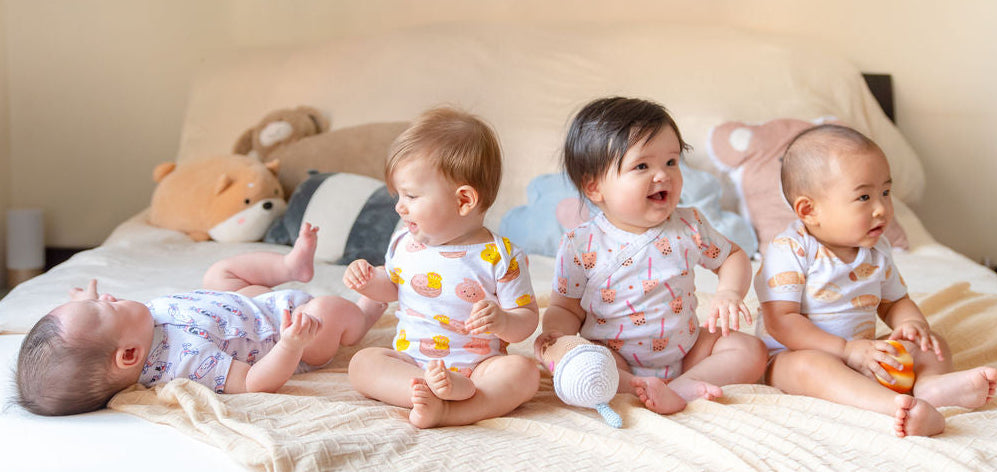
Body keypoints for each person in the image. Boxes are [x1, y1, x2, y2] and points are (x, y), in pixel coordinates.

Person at [755, 123, 997, 437]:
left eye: (885, 192)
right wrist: (845, 350)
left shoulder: (877, 249)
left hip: (865, 354)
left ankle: (931, 387)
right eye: (864, 197)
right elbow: (781, 322)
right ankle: (894, 407)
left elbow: (894, 302)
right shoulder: (789, 250)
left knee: (930, 342)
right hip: (794, 357)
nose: (882, 208)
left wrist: (912, 324)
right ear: (809, 209)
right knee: (807, 366)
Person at [536, 97, 767, 415]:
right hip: (617, 357)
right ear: (594, 188)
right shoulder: (581, 244)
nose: (663, 175)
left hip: (686, 351)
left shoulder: (689, 224)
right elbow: (565, 307)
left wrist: (729, 292)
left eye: (671, 162)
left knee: (750, 349)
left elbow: (733, 256)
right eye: (642, 166)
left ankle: (682, 386)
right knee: (593, 366)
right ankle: (636, 386)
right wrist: (557, 339)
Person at [16, 223, 385, 416]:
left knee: (219, 273)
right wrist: (292, 344)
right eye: (105, 308)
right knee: (328, 310)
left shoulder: (131, 331)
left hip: (243, 306)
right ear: (128, 356)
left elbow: (93, 333)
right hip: (285, 331)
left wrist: (89, 303)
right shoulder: (186, 363)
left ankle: (291, 266)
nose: (110, 297)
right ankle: (365, 316)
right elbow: (255, 382)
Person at [343, 106, 540, 428]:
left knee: (524, 373)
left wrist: (503, 320)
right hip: (414, 362)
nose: (399, 206)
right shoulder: (403, 242)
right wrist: (367, 282)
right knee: (363, 363)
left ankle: (452, 409)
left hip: (479, 367)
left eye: (410, 195)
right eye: (398, 195)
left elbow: (527, 321)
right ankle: (425, 390)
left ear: (463, 201)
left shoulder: (501, 255)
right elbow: (393, 288)